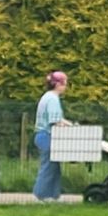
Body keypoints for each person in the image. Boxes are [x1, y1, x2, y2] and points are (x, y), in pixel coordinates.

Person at [33, 70, 70, 202]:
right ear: (58, 84)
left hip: (43, 136)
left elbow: (59, 119)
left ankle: (53, 196)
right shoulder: (53, 99)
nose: (65, 87)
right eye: (65, 83)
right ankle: (41, 195)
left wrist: (68, 124)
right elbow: (55, 121)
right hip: (46, 136)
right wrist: (69, 127)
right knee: (48, 167)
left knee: (54, 167)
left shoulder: (47, 97)